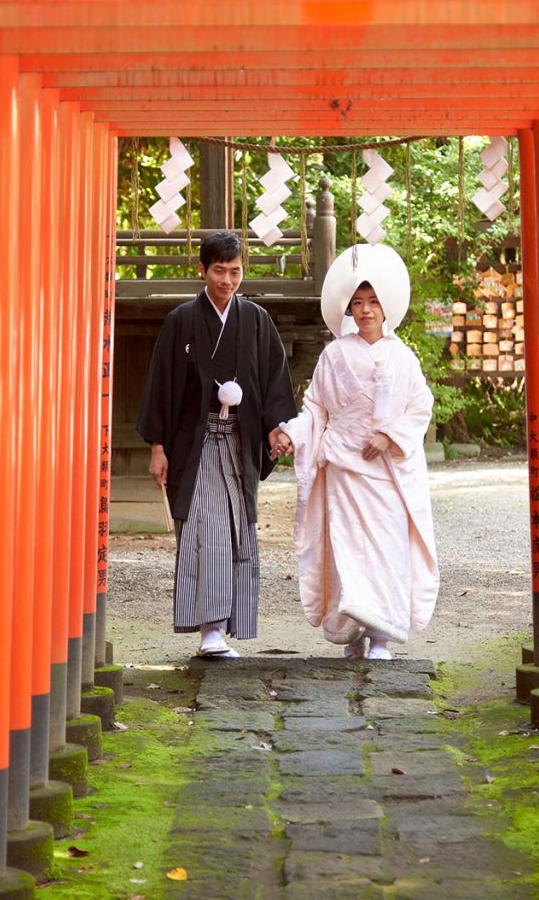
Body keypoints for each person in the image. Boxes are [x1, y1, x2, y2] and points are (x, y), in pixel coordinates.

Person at [272, 243, 439, 660]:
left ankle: (381, 634)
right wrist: (293, 433)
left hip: (385, 472)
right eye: (358, 303)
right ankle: (354, 633)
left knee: (387, 549)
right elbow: (315, 408)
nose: (366, 311)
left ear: (386, 307)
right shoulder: (334, 355)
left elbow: (421, 406)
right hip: (344, 468)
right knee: (346, 550)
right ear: (348, 310)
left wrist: (390, 436)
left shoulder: (402, 358)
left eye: (373, 302)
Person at [137, 230, 297, 658]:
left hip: (240, 447)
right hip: (198, 445)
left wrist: (276, 428)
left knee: (237, 530)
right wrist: (158, 446)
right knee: (206, 531)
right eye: (219, 271)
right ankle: (210, 630)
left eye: (236, 271)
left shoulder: (257, 321)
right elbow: (162, 389)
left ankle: (228, 623)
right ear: (203, 270)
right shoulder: (181, 321)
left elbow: (273, 385)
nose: (228, 280)